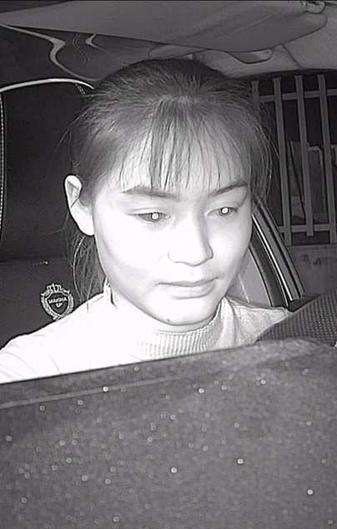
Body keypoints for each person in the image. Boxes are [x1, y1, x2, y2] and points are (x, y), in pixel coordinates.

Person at [0, 58, 289, 384]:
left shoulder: (299, 344)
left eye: (224, 210)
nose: (196, 253)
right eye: (153, 215)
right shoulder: (27, 381)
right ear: (81, 206)